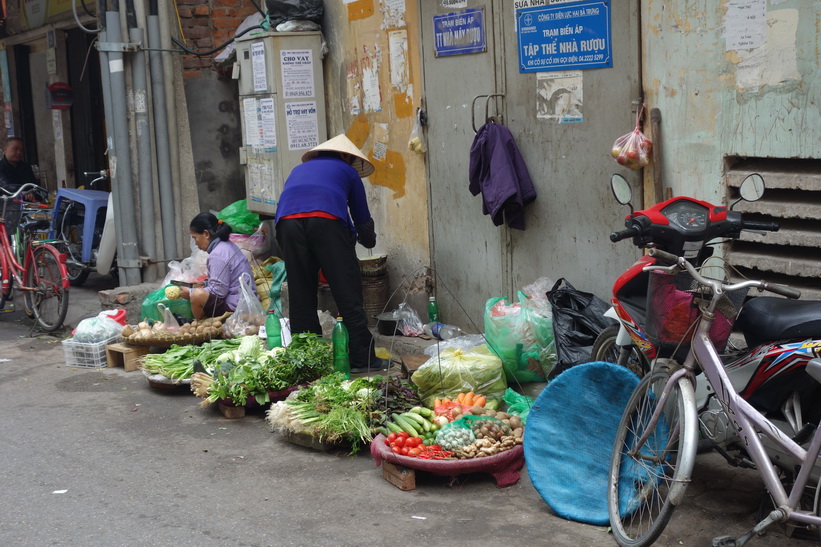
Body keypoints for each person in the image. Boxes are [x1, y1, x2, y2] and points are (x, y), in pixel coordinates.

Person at [275, 134, 387, 373]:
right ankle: (362, 359)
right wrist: (368, 241)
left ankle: (306, 359)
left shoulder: (299, 169)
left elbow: (291, 203)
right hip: (325, 222)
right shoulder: (349, 172)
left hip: (286, 225)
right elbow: (362, 217)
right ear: (347, 156)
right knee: (348, 292)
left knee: (301, 292)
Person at [179, 212, 253, 319]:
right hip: (243, 300)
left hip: (237, 307)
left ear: (206, 234)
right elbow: (227, 280)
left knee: (197, 296)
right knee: (199, 291)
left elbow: (219, 292)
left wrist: (190, 293)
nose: (195, 243)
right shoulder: (226, 245)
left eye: (195, 238)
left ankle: (201, 325)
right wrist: (205, 283)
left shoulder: (218, 254)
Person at [0, 137, 40, 201]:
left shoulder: (26, 166)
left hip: (28, 203)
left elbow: (33, 185)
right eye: (15, 149)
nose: (19, 152)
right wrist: (21, 191)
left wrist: (32, 193)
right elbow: (6, 185)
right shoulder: (1, 166)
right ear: (5, 149)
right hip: (6, 204)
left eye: (21, 150)